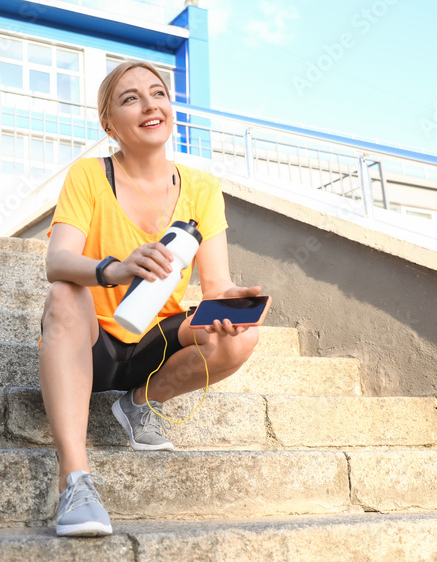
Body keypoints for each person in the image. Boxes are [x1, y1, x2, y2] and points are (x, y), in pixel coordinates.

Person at [39, 60, 263, 537]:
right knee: (63, 293)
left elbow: (215, 284)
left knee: (239, 339)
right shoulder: (88, 175)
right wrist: (113, 269)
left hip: (155, 341)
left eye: (157, 93)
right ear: (109, 124)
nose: (149, 105)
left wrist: (231, 303)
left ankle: (139, 403)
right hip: (93, 340)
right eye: (130, 98)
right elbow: (57, 261)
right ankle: (75, 482)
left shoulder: (202, 187)